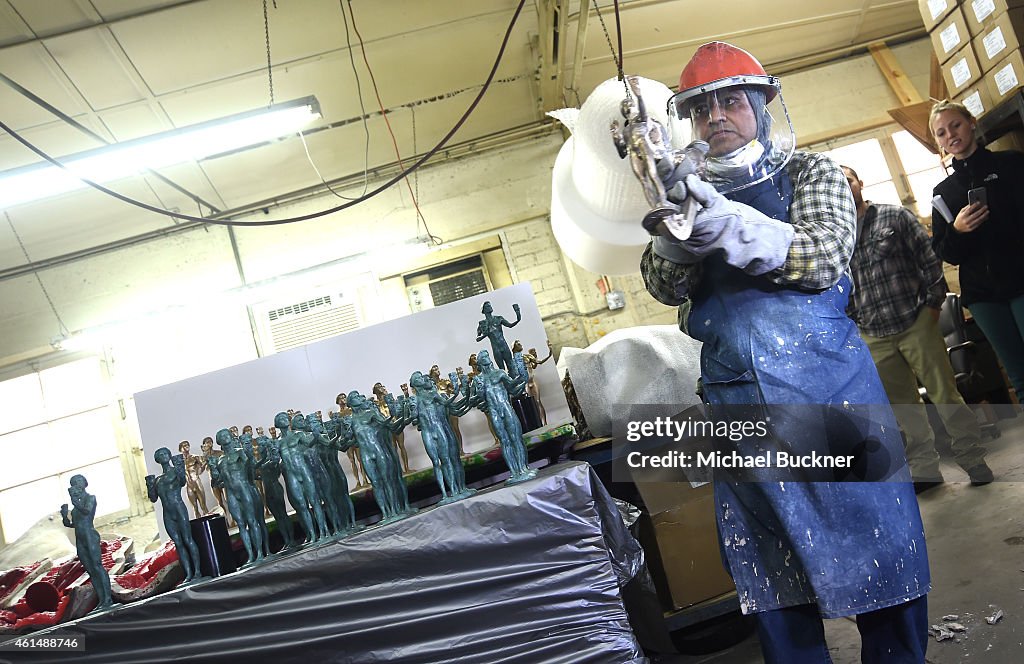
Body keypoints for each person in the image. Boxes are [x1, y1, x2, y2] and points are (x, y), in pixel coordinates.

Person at [639, 42, 930, 662]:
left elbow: (821, 257)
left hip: (828, 389)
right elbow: (661, 285)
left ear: (763, 105)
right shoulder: (683, 193)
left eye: (732, 100)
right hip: (736, 401)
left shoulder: (812, 173)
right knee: (772, 572)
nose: (716, 115)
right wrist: (676, 233)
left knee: (880, 543)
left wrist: (724, 224)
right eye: (702, 107)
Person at [843, 165, 993, 491]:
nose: (844, 185)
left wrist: (932, 306)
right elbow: (840, 286)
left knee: (945, 397)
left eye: (849, 179)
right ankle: (926, 470)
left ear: (860, 182)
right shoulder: (837, 236)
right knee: (903, 409)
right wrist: (855, 323)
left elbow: (929, 259)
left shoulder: (894, 217)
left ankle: (973, 460)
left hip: (915, 323)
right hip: (873, 333)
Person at [929, 99, 1024, 404]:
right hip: (983, 296)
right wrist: (958, 230)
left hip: (1021, 281)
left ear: (971, 122)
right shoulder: (943, 192)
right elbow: (948, 252)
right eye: (941, 133)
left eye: (955, 125)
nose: (950, 135)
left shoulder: (1012, 164)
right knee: (1018, 375)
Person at [146, 448, 203, 582]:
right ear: (157, 460)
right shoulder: (158, 480)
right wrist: (149, 485)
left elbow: (182, 481)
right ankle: (188, 574)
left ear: (170, 456)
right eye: (160, 455)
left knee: (188, 540)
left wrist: (180, 467)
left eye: (165, 453)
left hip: (178, 508)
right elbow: (153, 498)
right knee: (178, 543)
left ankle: (198, 571)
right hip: (168, 513)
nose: (163, 456)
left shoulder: (175, 472)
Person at [60, 474, 113, 611]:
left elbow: (86, 512)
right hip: (80, 538)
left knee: (97, 566)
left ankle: (108, 598)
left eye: (78, 482)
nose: (76, 485)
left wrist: (75, 502)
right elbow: (73, 524)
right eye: (73, 483)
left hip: (90, 535)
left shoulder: (90, 498)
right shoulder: (75, 508)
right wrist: (65, 516)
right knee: (90, 570)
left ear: (84, 483)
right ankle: (102, 600)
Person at [475, 301, 521, 375]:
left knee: (511, 365)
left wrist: (518, 315)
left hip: (504, 345)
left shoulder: (499, 318)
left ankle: (516, 381)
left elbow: (510, 325)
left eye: (490, 305)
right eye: (487, 306)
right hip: (496, 348)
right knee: (501, 369)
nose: (490, 307)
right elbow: (477, 337)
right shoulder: (482, 323)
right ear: (484, 310)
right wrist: (483, 335)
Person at [178, 440, 210, 519]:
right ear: (180, 449)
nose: (186, 447)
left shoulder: (194, 457)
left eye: (187, 445)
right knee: (195, 508)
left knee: (203, 506)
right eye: (184, 446)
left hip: (196, 481)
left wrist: (200, 469)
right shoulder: (179, 462)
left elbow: (203, 465)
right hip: (189, 485)